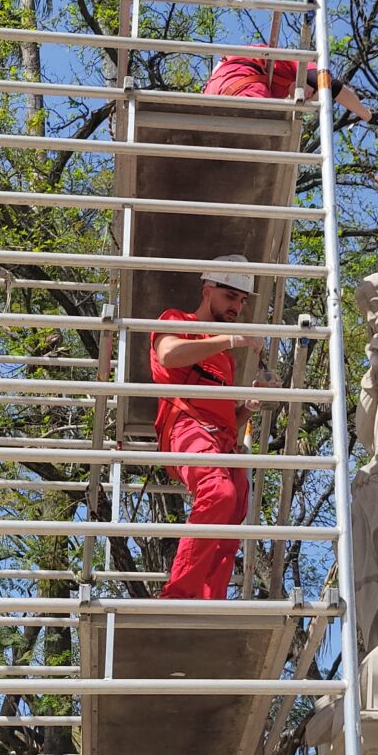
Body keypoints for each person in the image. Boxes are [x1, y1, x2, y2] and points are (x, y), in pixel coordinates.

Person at [149, 255, 274, 599]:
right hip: (186, 427)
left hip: (222, 441)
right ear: (207, 291)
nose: (237, 306)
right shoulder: (177, 320)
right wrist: (230, 338)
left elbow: (227, 420)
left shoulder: (225, 361)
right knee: (218, 493)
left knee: (232, 513)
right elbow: (168, 355)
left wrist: (250, 404)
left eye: (242, 300)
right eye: (230, 296)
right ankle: (178, 595)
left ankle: (209, 600)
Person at [203, 45, 378, 125]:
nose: (307, 97)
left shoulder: (275, 82)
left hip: (211, 97)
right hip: (243, 86)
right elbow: (331, 86)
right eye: (312, 94)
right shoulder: (296, 62)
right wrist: (366, 115)